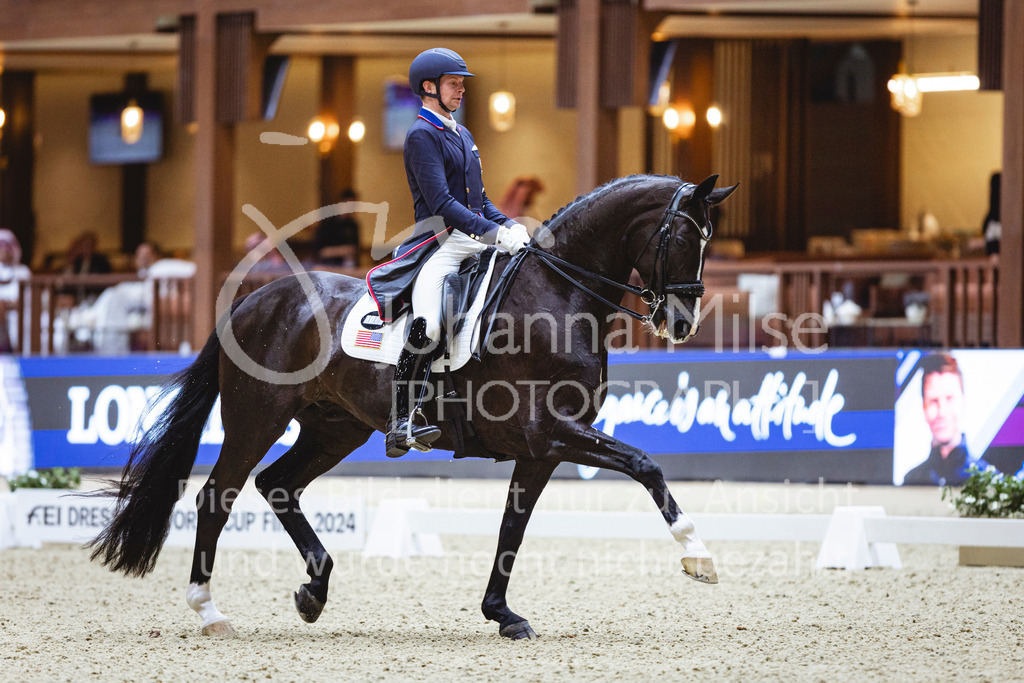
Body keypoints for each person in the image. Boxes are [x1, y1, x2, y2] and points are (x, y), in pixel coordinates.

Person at [371, 47, 530, 458]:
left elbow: (477, 199)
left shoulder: (462, 133)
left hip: (471, 237)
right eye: (454, 83)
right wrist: (493, 232)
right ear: (429, 88)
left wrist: (508, 224)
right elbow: (442, 202)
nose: (461, 90)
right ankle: (401, 420)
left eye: (461, 84)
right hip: (438, 243)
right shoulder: (421, 134)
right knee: (430, 322)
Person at [903, 353, 991, 486]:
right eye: (933, 401)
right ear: (923, 407)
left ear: (963, 401)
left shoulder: (986, 479)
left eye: (949, 399)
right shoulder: (911, 480)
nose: (942, 412)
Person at [0, 229, 31, 352]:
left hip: (17, 316)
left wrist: (7, 305)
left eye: (7, 247)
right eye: (0, 246)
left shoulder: (23, 271)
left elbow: (29, 299)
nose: (4, 251)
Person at [314, 188, 361, 267]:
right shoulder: (327, 223)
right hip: (328, 265)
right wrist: (343, 250)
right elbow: (320, 252)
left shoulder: (353, 225)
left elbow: (356, 249)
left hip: (347, 266)